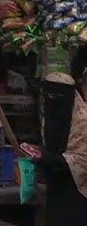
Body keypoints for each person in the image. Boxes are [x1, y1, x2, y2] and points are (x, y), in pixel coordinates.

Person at [24, 72, 87, 225]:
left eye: (56, 95)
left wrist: (45, 157)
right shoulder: (50, 116)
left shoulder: (82, 123)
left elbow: (81, 161)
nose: (51, 99)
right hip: (55, 191)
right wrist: (38, 153)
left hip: (78, 193)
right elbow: (52, 149)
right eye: (49, 94)